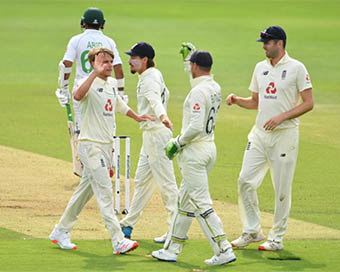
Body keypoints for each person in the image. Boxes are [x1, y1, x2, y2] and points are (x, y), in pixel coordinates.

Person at [49, 47, 155, 254]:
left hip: (107, 145)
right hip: (90, 145)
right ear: (93, 64)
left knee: (83, 192)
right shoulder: (85, 82)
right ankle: (118, 240)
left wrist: (137, 117)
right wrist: (94, 73)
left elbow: (118, 105)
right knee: (106, 193)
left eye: (110, 61)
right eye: (104, 62)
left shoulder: (112, 84)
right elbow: (78, 96)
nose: (108, 65)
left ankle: (60, 230)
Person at [226, 26, 314, 251]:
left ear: (280, 43)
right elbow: (256, 102)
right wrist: (237, 100)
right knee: (245, 180)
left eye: (267, 42)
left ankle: (276, 238)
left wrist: (281, 117)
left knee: (281, 189)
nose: (264, 46)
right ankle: (253, 230)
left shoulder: (297, 68)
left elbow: (308, 103)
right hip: (259, 134)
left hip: (285, 136)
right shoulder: (260, 68)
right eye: (263, 42)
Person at [152, 50, 237, 266]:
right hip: (209, 148)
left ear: (196, 66)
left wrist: (177, 142)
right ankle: (171, 249)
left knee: (200, 203)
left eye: (190, 64)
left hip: (194, 152)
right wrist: (193, 54)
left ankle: (223, 248)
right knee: (185, 202)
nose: (188, 68)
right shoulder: (214, 86)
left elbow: (196, 126)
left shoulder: (198, 92)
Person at [119, 42, 179, 244]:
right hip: (151, 134)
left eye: (133, 57)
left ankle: (176, 229)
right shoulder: (154, 74)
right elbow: (165, 94)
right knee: (143, 181)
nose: (129, 60)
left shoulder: (149, 79)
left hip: (156, 134)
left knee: (166, 183)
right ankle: (128, 224)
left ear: (145, 59)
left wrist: (162, 117)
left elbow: (155, 99)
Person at [55, 7, 127, 135]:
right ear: (102, 24)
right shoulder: (109, 41)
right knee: (106, 128)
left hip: (82, 88)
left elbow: (66, 64)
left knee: (82, 132)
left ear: (84, 23)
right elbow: (118, 68)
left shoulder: (76, 40)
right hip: (105, 89)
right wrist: (121, 93)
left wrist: (64, 88)